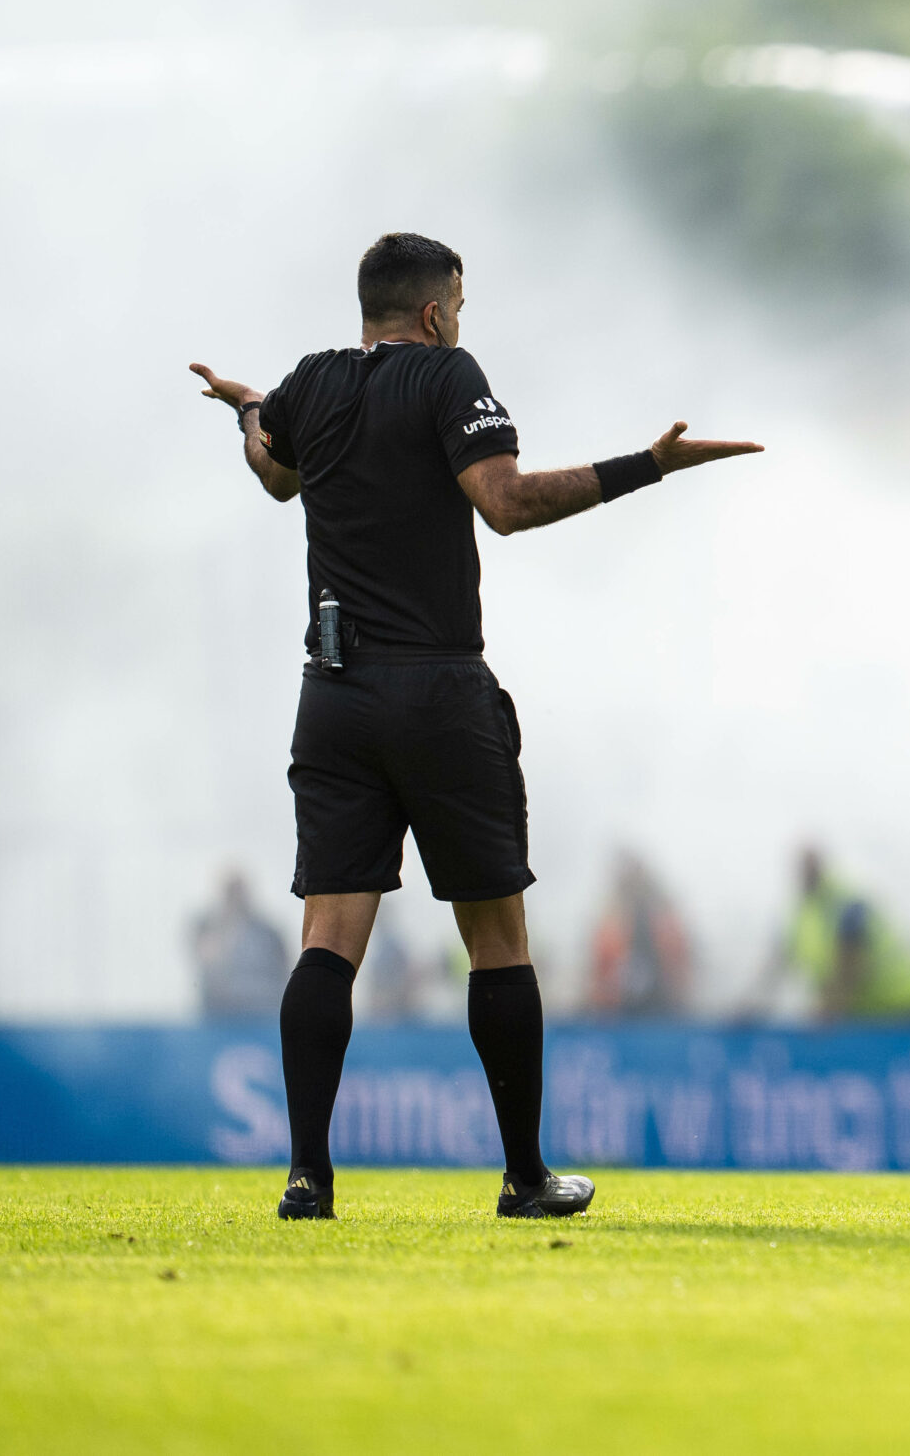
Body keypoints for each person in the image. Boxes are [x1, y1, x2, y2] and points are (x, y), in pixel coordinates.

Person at [189, 231, 761, 1220]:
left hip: (332, 692)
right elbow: (504, 503)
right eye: (461, 302)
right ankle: (524, 1175)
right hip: (438, 690)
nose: (462, 318)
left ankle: (307, 1177)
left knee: (327, 936)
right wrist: (647, 465)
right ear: (433, 311)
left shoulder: (311, 384)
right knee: (497, 939)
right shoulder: (448, 376)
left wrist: (247, 407)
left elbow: (273, 471)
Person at [751, 846, 910, 1022]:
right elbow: (775, 968)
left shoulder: (846, 903)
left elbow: (851, 964)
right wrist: (751, 1006)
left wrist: (829, 1008)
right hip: (865, 1017)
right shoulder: (800, 918)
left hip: (909, 1009)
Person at [586, 850, 695, 1017]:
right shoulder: (612, 918)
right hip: (617, 1012)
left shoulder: (664, 915)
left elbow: (680, 962)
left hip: (664, 1008)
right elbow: (600, 967)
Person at [190, 870, 289, 1019]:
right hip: (218, 1011)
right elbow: (206, 959)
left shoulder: (268, 932)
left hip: (262, 1010)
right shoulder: (208, 926)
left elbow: (284, 967)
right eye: (231, 892)